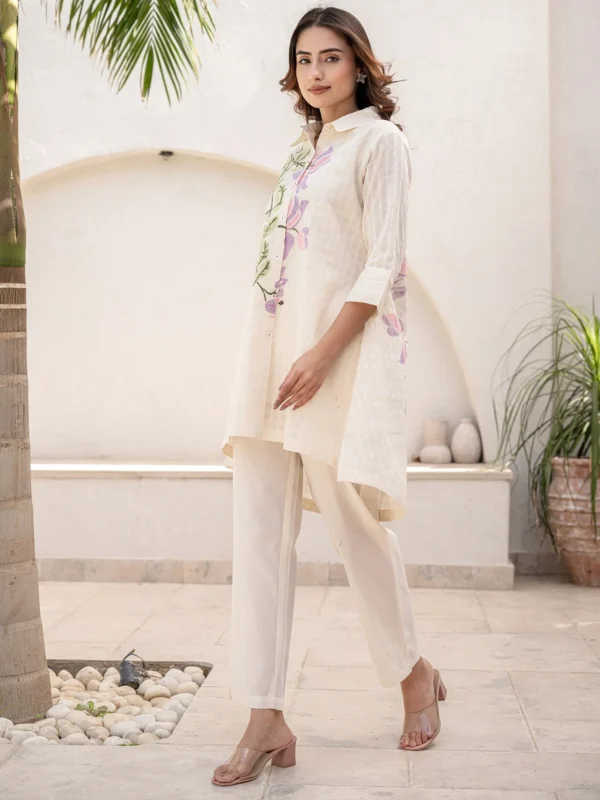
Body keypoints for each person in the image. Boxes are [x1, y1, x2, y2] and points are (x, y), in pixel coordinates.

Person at [213, 5, 445, 788]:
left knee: (351, 525)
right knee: (258, 535)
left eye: (331, 58)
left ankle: (412, 672)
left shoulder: (380, 144)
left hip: (332, 364)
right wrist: (278, 355)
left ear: (359, 66)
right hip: (268, 364)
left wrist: (320, 354)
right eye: (305, 59)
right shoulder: (298, 153)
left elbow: (383, 262)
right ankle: (264, 716)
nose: (316, 72)